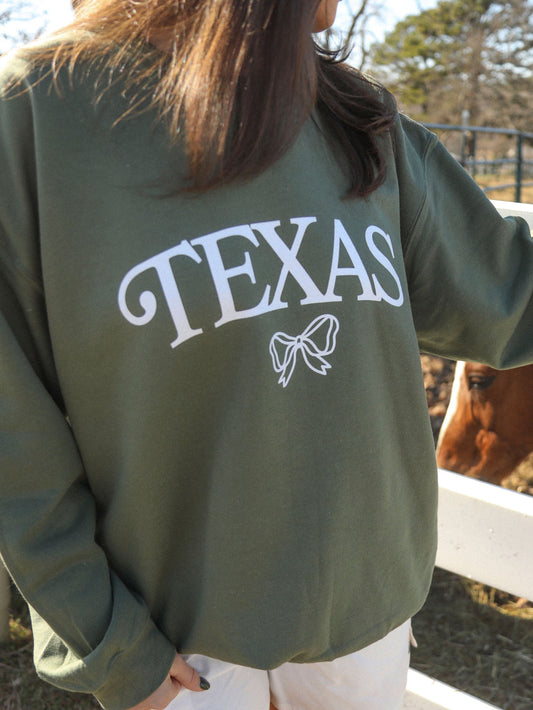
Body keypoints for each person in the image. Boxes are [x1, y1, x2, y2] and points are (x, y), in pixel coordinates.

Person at [1, 1, 532, 709]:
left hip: (364, 624)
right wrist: (106, 638)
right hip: (181, 646)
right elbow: (13, 429)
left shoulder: (346, 106)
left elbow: (503, 291)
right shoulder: (36, 116)